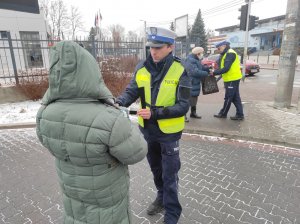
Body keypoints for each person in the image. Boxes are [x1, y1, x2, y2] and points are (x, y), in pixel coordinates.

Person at [36, 41, 147, 224]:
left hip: (72, 195)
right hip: (108, 205)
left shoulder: (44, 114)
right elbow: (137, 152)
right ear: (90, 72)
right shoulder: (109, 118)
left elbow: (49, 143)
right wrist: (124, 121)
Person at [116, 27, 191, 224]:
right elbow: (131, 91)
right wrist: (117, 103)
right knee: (156, 169)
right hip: (148, 131)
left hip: (169, 134)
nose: (153, 52)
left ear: (170, 47)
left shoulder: (181, 69)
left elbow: (183, 106)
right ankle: (161, 198)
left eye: (158, 47)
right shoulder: (142, 67)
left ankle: (172, 214)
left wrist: (156, 113)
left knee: (170, 174)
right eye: (151, 48)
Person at [211, 40, 244, 120]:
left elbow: (226, 68)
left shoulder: (230, 53)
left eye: (219, 48)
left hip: (232, 79)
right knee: (235, 97)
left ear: (224, 46)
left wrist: (214, 73)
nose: (218, 50)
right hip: (231, 78)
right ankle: (240, 115)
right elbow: (222, 65)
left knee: (228, 97)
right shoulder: (225, 53)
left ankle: (223, 113)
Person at [183, 46, 209, 121]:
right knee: (187, 100)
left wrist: (207, 68)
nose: (202, 55)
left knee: (194, 98)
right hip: (190, 83)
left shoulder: (196, 59)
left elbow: (199, 67)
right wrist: (206, 73)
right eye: (201, 53)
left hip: (195, 83)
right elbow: (194, 72)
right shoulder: (190, 60)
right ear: (198, 53)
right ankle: (183, 115)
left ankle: (193, 113)